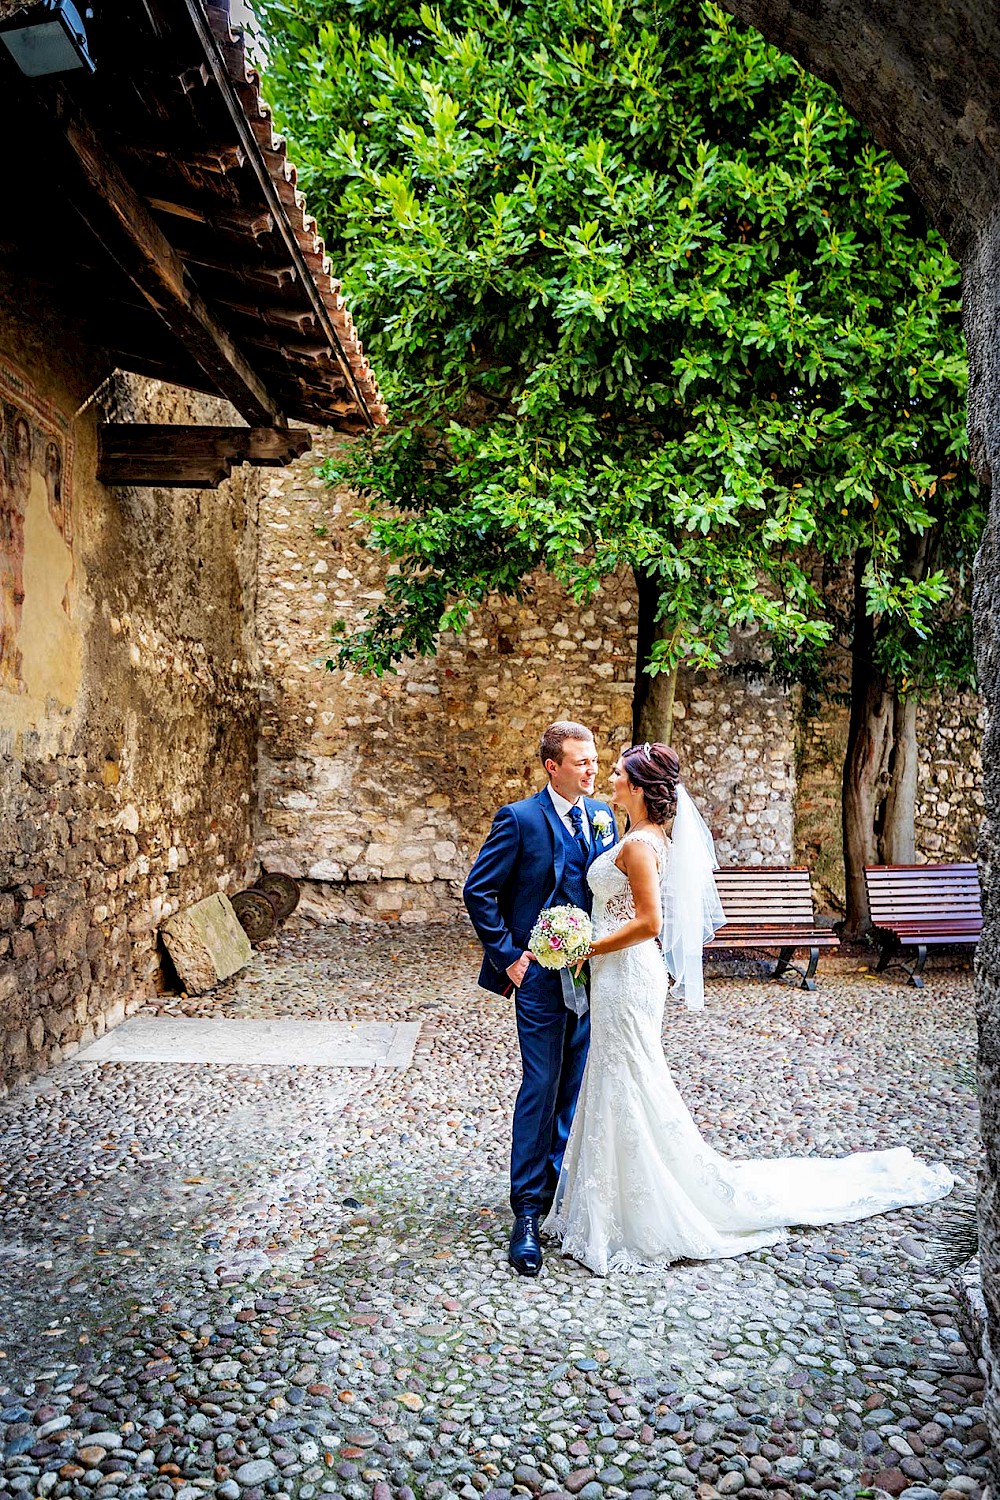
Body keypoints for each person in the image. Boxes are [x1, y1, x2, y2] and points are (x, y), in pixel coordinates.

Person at [543, 742, 954, 1275]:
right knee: (617, 1075)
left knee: (628, 1076)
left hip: (626, 973)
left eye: (620, 774)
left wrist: (585, 948)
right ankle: (609, 1200)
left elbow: (650, 923)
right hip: (617, 975)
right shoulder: (636, 836)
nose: (611, 779)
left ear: (641, 788)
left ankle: (642, 1207)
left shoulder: (641, 845)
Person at [464, 720, 619, 1276]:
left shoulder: (602, 816)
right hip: (538, 979)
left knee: (573, 1086)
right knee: (541, 1084)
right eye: (581, 761)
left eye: (595, 760)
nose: (592, 769)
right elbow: (478, 889)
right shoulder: (520, 819)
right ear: (552, 766)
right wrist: (510, 957)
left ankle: (556, 1194)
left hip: (592, 975)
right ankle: (526, 1213)